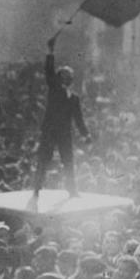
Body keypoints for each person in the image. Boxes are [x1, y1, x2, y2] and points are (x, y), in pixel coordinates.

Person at [32, 36, 91, 198]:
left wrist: (86, 134)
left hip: (64, 132)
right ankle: (37, 187)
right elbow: (48, 71)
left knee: (68, 161)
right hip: (50, 130)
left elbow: (78, 119)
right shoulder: (54, 89)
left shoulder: (74, 97)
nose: (64, 78)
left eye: (67, 76)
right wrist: (50, 52)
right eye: (62, 75)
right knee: (44, 159)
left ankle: (72, 190)